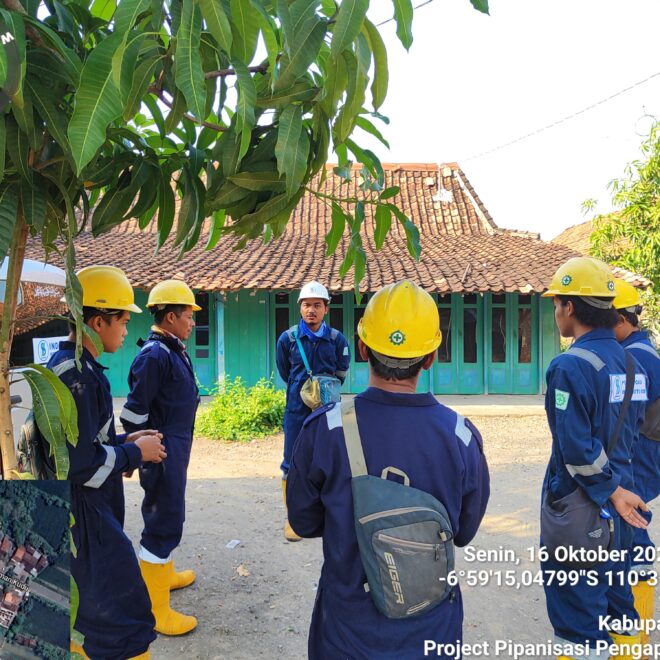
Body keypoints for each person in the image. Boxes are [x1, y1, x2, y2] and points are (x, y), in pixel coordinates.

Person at [286, 279, 490, 658]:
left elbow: (303, 522)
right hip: (432, 635)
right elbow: (462, 532)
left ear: (362, 349)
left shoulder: (325, 430)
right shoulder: (461, 437)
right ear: (431, 356)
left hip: (345, 634)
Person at [49, 265, 165, 660]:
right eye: (122, 321)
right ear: (97, 322)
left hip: (89, 509)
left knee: (100, 610)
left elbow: (86, 443)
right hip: (85, 514)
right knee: (122, 619)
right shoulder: (78, 378)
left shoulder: (76, 369)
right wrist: (135, 454)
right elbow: (81, 466)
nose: (126, 331)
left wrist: (125, 440)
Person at [540, 257, 649, 660]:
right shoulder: (634, 362)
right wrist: (621, 489)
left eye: (556, 304)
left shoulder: (569, 365)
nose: (555, 312)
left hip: (582, 511)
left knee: (578, 621)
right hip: (622, 511)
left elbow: (575, 448)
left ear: (569, 307)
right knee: (618, 606)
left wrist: (608, 490)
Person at [120, 280, 200, 636]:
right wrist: (145, 450)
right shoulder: (155, 355)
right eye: (188, 315)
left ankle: (163, 575)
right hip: (163, 450)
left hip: (176, 445)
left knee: (172, 511)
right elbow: (133, 415)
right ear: (170, 316)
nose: (193, 322)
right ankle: (155, 612)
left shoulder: (171, 348)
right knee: (163, 520)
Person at [275, 280, 350, 541]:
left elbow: (341, 371)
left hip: (328, 410)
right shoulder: (288, 339)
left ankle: (326, 514)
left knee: (328, 460)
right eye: (307, 305)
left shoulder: (336, 340)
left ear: (326, 309)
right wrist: (303, 390)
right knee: (292, 462)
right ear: (300, 308)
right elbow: (285, 371)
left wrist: (324, 390)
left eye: (317, 305)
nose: (311, 310)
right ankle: (292, 519)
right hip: (296, 410)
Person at [613, 278, 660, 647]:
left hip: (643, 451)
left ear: (621, 320)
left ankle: (635, 641)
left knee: (631, 522)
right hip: (648, 450)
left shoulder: (636, 358)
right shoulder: (644, 350)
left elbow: (625, 415)